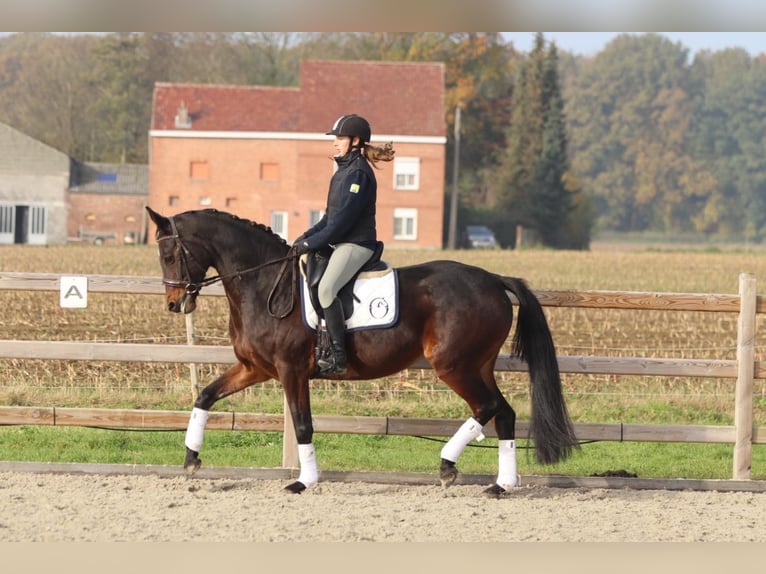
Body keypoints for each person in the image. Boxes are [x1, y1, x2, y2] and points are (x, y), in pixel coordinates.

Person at [293, 114, 395, 375]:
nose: (335, 143)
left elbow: (341, 223)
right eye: (335, 139)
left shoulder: (358, 174)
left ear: (356, 140)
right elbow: (329, 217)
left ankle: (339, 357)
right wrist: (304, 238)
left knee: (327, 289)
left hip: (356, 244)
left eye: (339, 138)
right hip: (341, 242)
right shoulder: (344, 171)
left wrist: (312, 243)